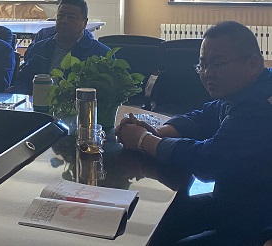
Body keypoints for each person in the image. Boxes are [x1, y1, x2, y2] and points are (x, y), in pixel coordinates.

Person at [116, 21, 272, 245]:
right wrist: (158, 131)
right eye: (203, 65)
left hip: (258, 224)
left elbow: (208, 161)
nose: (208, 73)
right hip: (236, 205)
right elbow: (204, 116)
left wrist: (143, 140)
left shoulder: (261, 106)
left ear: (253, 64)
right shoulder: (248, 89)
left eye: (217, 64)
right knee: (157, 220)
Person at [13, 0, 110, 95]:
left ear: (84, 23)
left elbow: (107, 93)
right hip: (38, 102)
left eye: (71, 18)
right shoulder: (40, 48)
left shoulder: (100, 54)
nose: (64, 21)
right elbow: (22, 81)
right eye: (61, 16)